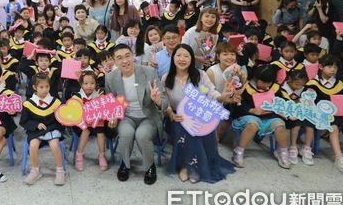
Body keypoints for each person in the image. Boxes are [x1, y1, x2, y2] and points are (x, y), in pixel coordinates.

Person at [162, 44, 237, 183]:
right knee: (187, 128)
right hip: (177, 116)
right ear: (173, 58)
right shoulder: (167, 78)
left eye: (186, 56)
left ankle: (193, 166)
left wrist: (222, 97)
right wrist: (170, 114)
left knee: (197, 128)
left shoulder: (200, 75)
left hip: (199, 114)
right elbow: (164, 101)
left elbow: (210, 91)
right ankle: (186, 166)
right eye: (178, 55)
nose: (182, 59)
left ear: (191, 59)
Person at [104, 44, 167, 185]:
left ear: (133, 56)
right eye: (119, 58)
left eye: (127, 56)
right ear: (114, 61)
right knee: (125, 133)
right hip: (126, 116)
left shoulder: (149, 72)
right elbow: (111, 102)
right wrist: (112, 116)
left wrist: (157, 101)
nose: (124, 61)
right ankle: (125, 164)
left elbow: (164, 101)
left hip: (148, 115)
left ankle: (150, 166)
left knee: (142, 135)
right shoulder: (110, 78)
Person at [231, 65, 291, 169]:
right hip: (248, 116)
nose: (266, 86)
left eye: (269, 83)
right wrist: (251, 110)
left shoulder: (275, 88)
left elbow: (280, 103)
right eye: (263, 82)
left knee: (280, 125)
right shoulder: (245, 87)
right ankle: (239, 151)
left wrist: (282, 111)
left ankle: (282, 152)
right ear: (256, 79)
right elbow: (239, 105)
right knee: (252, 124)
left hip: (270, 117)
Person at [20, 73, 65, 185]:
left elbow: (62, 119)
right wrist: (36, 124)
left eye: (47, 87)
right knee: (33, 145)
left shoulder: (55, 101)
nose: (45, 90)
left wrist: (58, 114)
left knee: (54, 144)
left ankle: (60, 170)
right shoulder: (29, 104)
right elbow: (24, 121)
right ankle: (35, 170)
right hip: (36, 130)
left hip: (52, 127)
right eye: (41, 87)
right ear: (35, 87)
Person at [71, 70, 108, 172]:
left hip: (96, 122)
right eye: (86, 83)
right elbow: (75, 114)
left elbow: (104, 111)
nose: (89, 86)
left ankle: (101, 155)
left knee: (101, 132)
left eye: (92, 83)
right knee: (86, 130)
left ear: (96, 84)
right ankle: (79, 155)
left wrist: (102, 101)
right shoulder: (76, 96)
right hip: (81, 123)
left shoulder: (99, 94)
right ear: (81, 84)